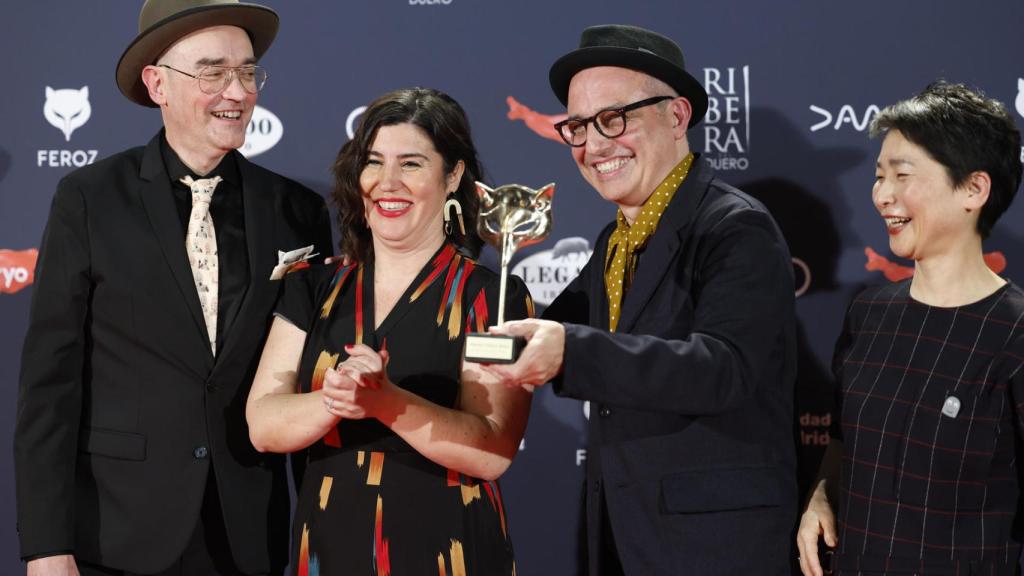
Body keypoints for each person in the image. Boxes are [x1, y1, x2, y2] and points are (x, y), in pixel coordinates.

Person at [13, 0, 333, 574]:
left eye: (247, 72)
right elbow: (49, 387)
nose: (237, 92)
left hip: (247, 533)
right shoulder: (89, 199)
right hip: (117, 533)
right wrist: (45, 545)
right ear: (157, 84)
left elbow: (307, 377)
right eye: (213, 73)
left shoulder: (295, 211)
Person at [484, 24, 799, 575]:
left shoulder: (734, 227)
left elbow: (724, 368)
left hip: (715, 544)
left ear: (676, 116)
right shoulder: (615, 240)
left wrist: (568, 352)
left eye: (614, 118)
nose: (594, 145)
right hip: (626, 537)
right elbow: (540, 329)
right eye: (578, 126)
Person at [246, 87, 533, 575]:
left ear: (453, 175)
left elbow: (492, 451)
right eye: (374, 162)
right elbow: (264, 425)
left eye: (412, 164)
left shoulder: (492, 295)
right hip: (327, 551)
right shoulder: (314, 287)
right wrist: (339, 399)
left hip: (451, 554)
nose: (387, 182)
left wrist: (387, 402)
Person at [797, 81, 1024, 576]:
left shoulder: (1015, 335)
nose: (882, 196)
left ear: (974, 189)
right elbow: (843, 437)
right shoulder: (869, 314)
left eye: (902, 175)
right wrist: (821, 495)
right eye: (879, 176)